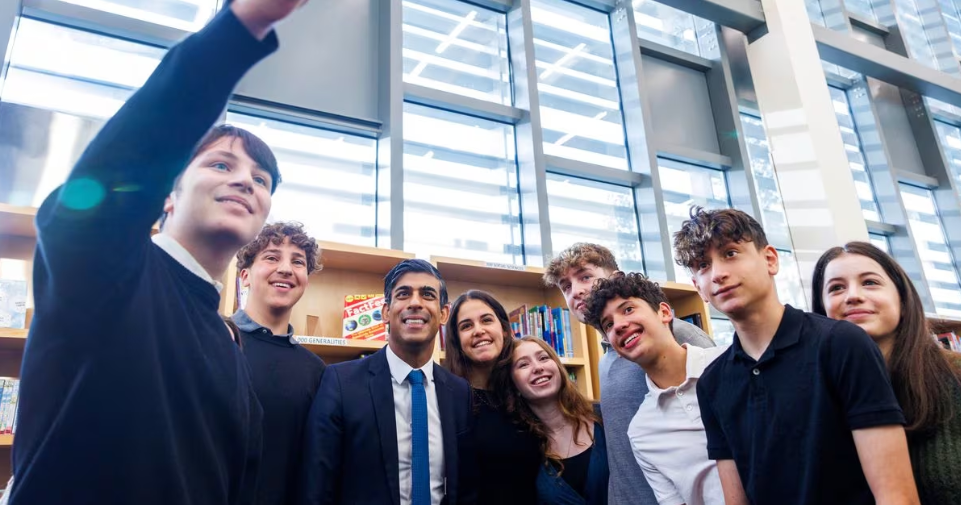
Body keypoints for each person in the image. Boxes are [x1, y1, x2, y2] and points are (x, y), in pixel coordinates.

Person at [11, 1, 302, 504]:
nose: (243, 180)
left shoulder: (231, 349)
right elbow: (121, 165)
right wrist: (242, 25)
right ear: (168, 193)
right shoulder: (107, 268)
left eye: (260, 178)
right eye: (219, 165)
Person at [673, 207, 920, 505]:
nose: (718, 273)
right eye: (702, 265)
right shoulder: (712, 384)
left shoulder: (842, 343)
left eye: (730, 253)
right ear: (698, 288)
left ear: (770, 260)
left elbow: (896, 496)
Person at [543, 242, 714, 505]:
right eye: (566, 286)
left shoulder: (676, 334)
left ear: (616, 278)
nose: (576, 291)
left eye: (585, 277)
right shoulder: (608, 355)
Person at [299, 259, 477, 505]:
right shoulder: (341, 382)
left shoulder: (459, 392)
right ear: (385, 312)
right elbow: (317, 487)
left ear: (444, 313)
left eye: (427, 294)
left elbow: (466, 485)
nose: (415, 303)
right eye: (403, 294)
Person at [812, 241, 961, 505]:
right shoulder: (813, 396)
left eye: (870, 282)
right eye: (836, 288)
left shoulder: (955, 373)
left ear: (903, 301)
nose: (852, 296)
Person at [584, 271, 726, 505]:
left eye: (628, 309)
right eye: (608, 324)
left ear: (664, 312)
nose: (618, 325)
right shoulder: (642, 432)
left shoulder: (729, 366)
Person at [233, 222, 326, 505]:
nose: (286, 268)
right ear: (245, 275)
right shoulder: (215, 342)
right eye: (272, 257)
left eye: (298, 262)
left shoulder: (317, 370)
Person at [444, 290, 540, 505]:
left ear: (505, 330)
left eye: (486, 320)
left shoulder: (527, 392)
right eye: (466, 326)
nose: (478, 331)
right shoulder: (446, 401)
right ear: (457, 341)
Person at [495, 337, 608, 505]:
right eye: (523, 365)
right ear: (513, 385)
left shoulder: (604, 417)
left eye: (543, 358)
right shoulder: (519, 447)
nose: (538, 368)